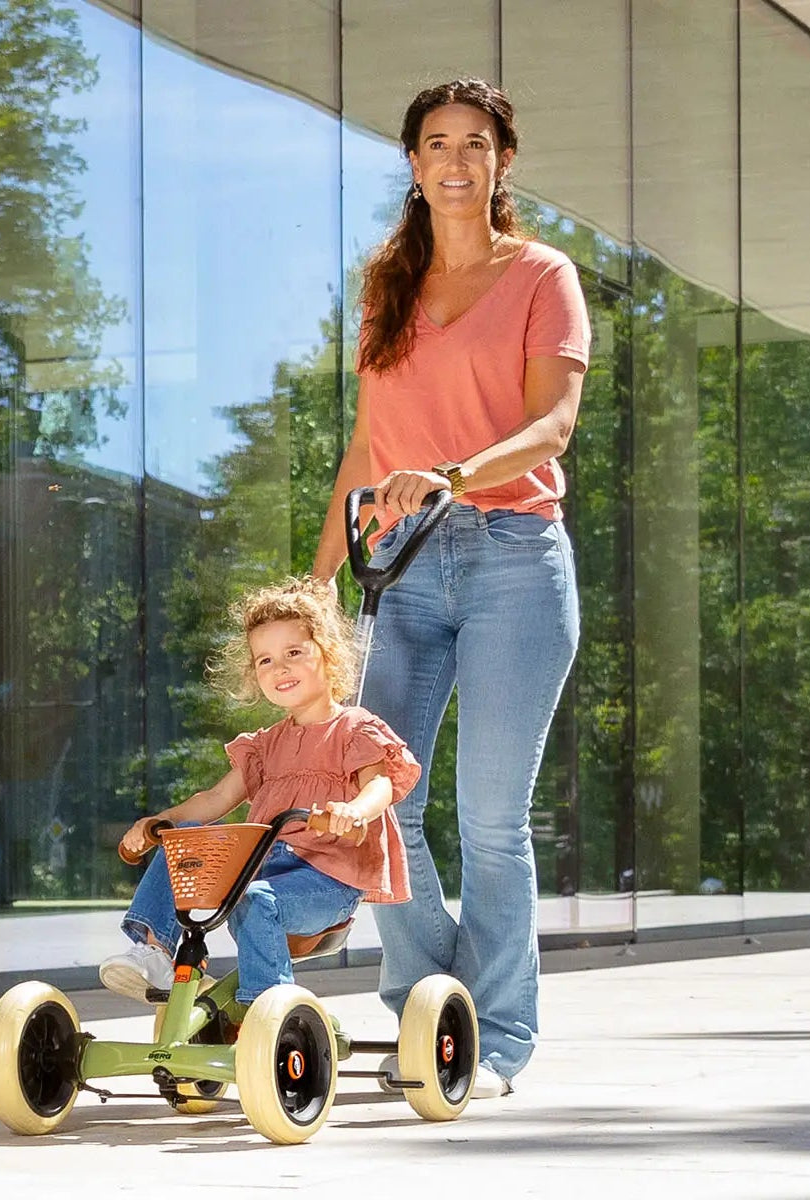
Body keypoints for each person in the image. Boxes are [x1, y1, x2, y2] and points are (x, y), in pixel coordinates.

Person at [311, 78, 590, 1098]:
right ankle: (437, 1013)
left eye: (478, 142)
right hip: (403, 567)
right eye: (438, 143)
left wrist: (456, 475)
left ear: (502, 162)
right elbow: (365, 445)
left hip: (514, 557)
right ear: (416, 165)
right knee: (372, 800)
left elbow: (551, 426)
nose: (458, 159)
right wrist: (316, 583)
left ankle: (500, 1041)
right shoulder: (388, 282)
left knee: (488, 818)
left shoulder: (544, 275)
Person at [100, 576, 421, 1019]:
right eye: (265, 660)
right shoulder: (266, 745)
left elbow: (379, 784)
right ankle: (156, 951)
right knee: (186, 839)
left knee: (256, 898)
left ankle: (267, 1011)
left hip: (326, 881)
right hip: (261, 870)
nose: (279, 668)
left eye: (293, 653)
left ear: (328, 655)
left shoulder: (354, 729)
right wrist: (161, 821)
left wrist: (355, 810)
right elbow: (215, 798)